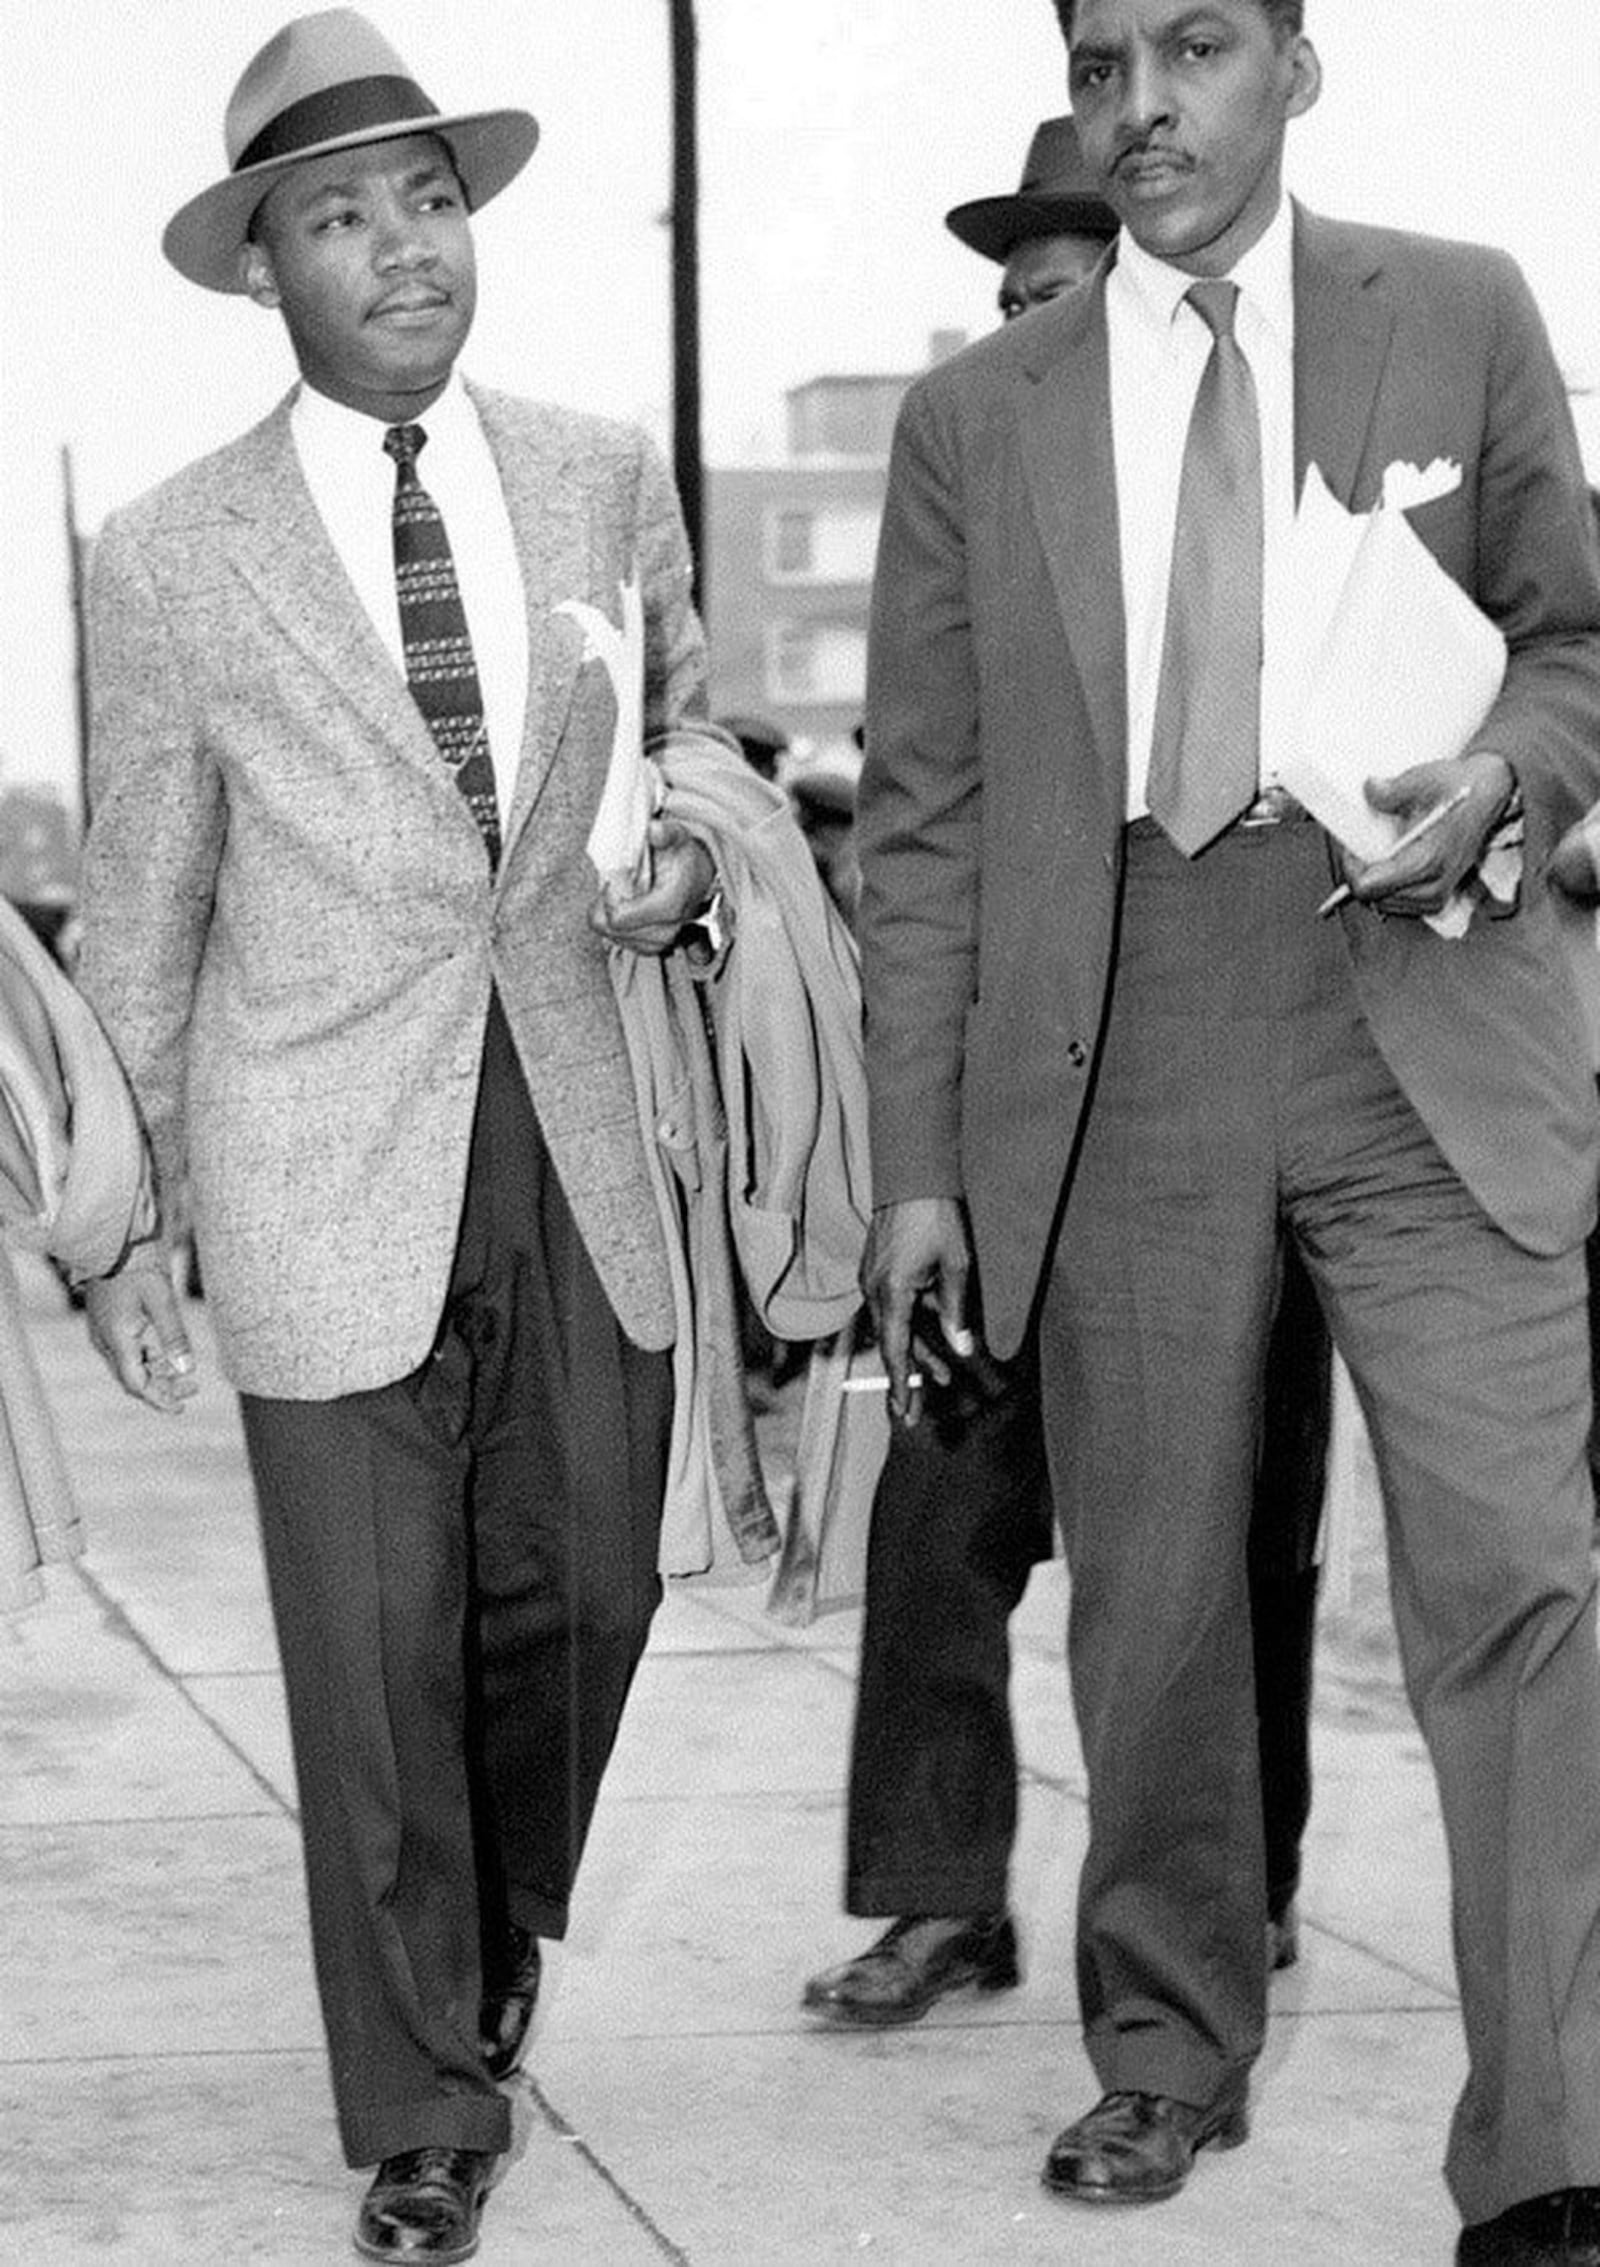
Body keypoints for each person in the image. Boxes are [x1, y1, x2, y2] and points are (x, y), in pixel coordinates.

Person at [855, 3, 1600, 2259]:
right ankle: (1163, 2050)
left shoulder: (1455, 310)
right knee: (1156, 1602)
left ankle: (1550, 2142)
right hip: (1120, 1039)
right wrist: (912, 1169)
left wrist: (1510, 771)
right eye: (1102, 60)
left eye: (1193, 46)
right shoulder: (973, 418)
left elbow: (1573, 645)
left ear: (1296, 64)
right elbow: (920, 821)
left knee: (1519, 1576)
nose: (1141, 105)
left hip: (1422, 1010)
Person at [76, 12, 732, 2261]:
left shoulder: (599, 473)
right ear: (266, 265)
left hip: (574, 1127)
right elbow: (145, 901)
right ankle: (422, 2100)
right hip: (304, 1151)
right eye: (344, 216)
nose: (405, 250)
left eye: (430, 200)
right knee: (369, 1665)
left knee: (598, 1589)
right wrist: (121, 1208)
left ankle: (493, 1930)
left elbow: (702, 744)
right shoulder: (168, 558)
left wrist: (694, 856)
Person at [803, 109, 1329, 2034]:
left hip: (1231, 1072)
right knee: (939, 1500)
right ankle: (945, 1892)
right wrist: (914, 1154)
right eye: (1015, 290)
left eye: (1072, 275)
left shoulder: (1254, 474)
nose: (1034, 315)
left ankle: (1239, 1881)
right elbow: (914, 821)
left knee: (1229, 1524)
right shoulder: (980, 470)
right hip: (1027, 1102)